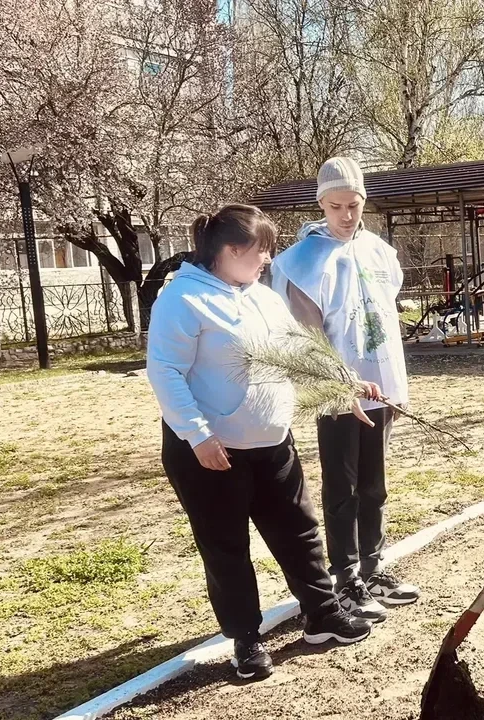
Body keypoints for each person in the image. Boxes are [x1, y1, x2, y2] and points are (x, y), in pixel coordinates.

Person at [146, 204, 372, 681]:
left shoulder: (262, 297)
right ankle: (246, 640)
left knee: (299, 530)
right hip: (212, 452)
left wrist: (342, 385)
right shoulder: (183, 299)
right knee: (226, 545)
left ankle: (322, 614)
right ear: (230, 251)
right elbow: (165, 370)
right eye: (261, 250)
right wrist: (198, 436)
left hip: (272, 440)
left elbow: (297, 347)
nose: (267, 259)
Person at [268, 157, 420, 624]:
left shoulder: (378, 252)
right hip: (339, 394)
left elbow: (385, 317)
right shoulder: (303, 263)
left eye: (354, 205)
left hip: (383, 388)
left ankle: (373, 567)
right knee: (343, 487)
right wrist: (338, 386)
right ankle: (346, 575)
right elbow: (306, 339)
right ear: (321, 205)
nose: (347, 216)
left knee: (375, 484)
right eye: (336, 207)